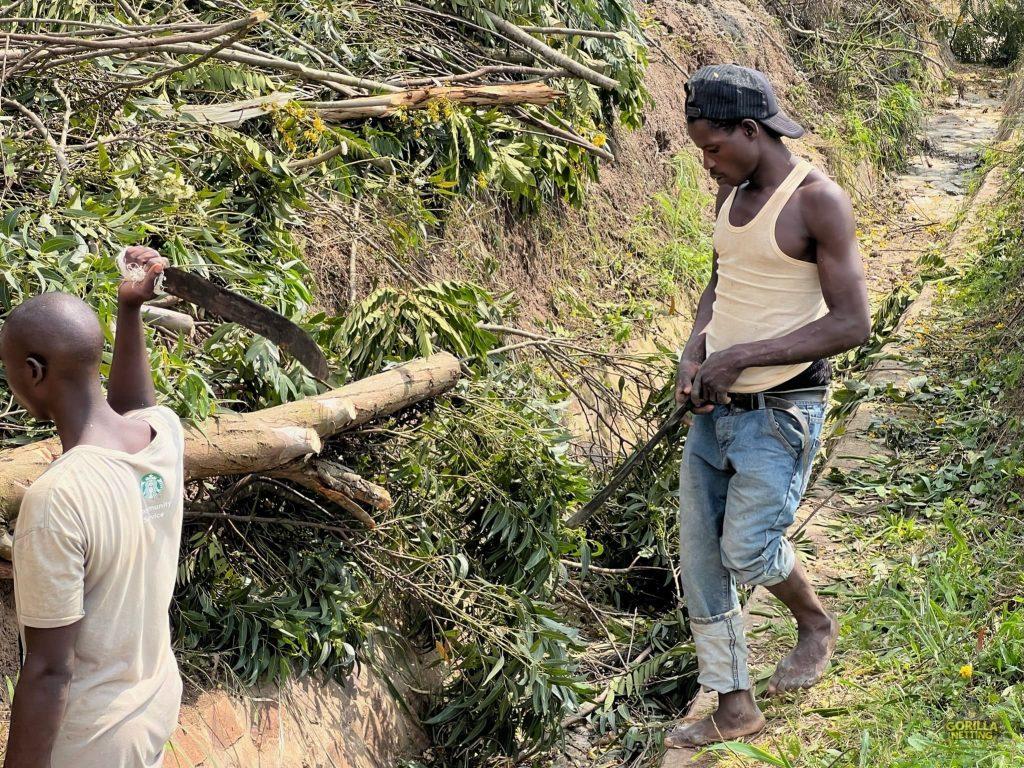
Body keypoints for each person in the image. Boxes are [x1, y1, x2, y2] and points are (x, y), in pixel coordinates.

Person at [666, 65, 871, 747]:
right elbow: (720, 285)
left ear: (751, 131)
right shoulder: (730, 195)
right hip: (716, 410)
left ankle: (814, 623)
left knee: (749, 552)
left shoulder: (817, 201)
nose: (706, 163)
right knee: (701, 560)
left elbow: (851, 324)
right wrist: (695, 356)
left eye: (714, 148)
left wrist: (741, 358)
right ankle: (734, 705)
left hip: (781, 411)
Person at [2, 247, 184, 767]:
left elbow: (48, 673)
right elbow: (134, 407)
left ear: (33, 372)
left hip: (93, 743)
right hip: (153, 701)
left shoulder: (57, 500)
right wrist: (130, 312)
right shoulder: (163, 436)